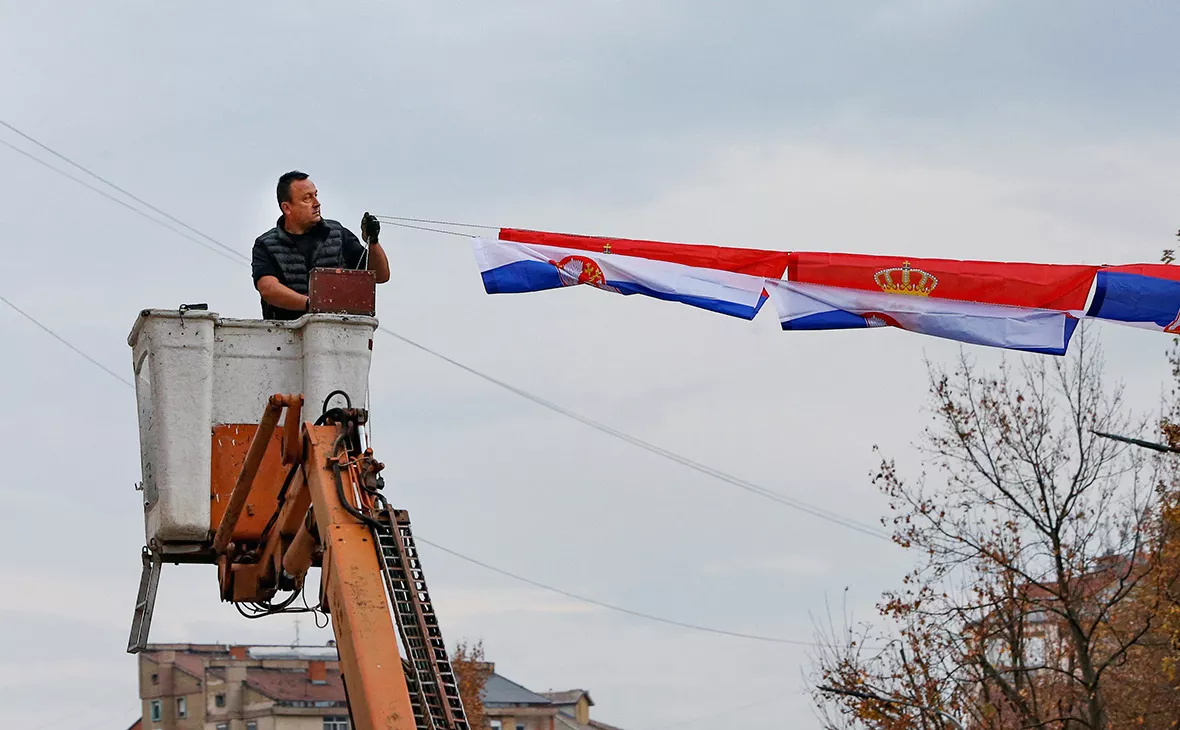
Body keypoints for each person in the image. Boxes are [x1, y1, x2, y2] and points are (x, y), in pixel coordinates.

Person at [252, 170, 391, 319]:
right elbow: (268, 289)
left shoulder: (337, 234)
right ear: (287, 208)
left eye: (315, 195)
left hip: (339, 331)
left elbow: (380, 275)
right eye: (307, 198)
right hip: (285, 334)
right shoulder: (266, 244)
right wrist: (313, 304)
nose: (317, 204)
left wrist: (373, 241)